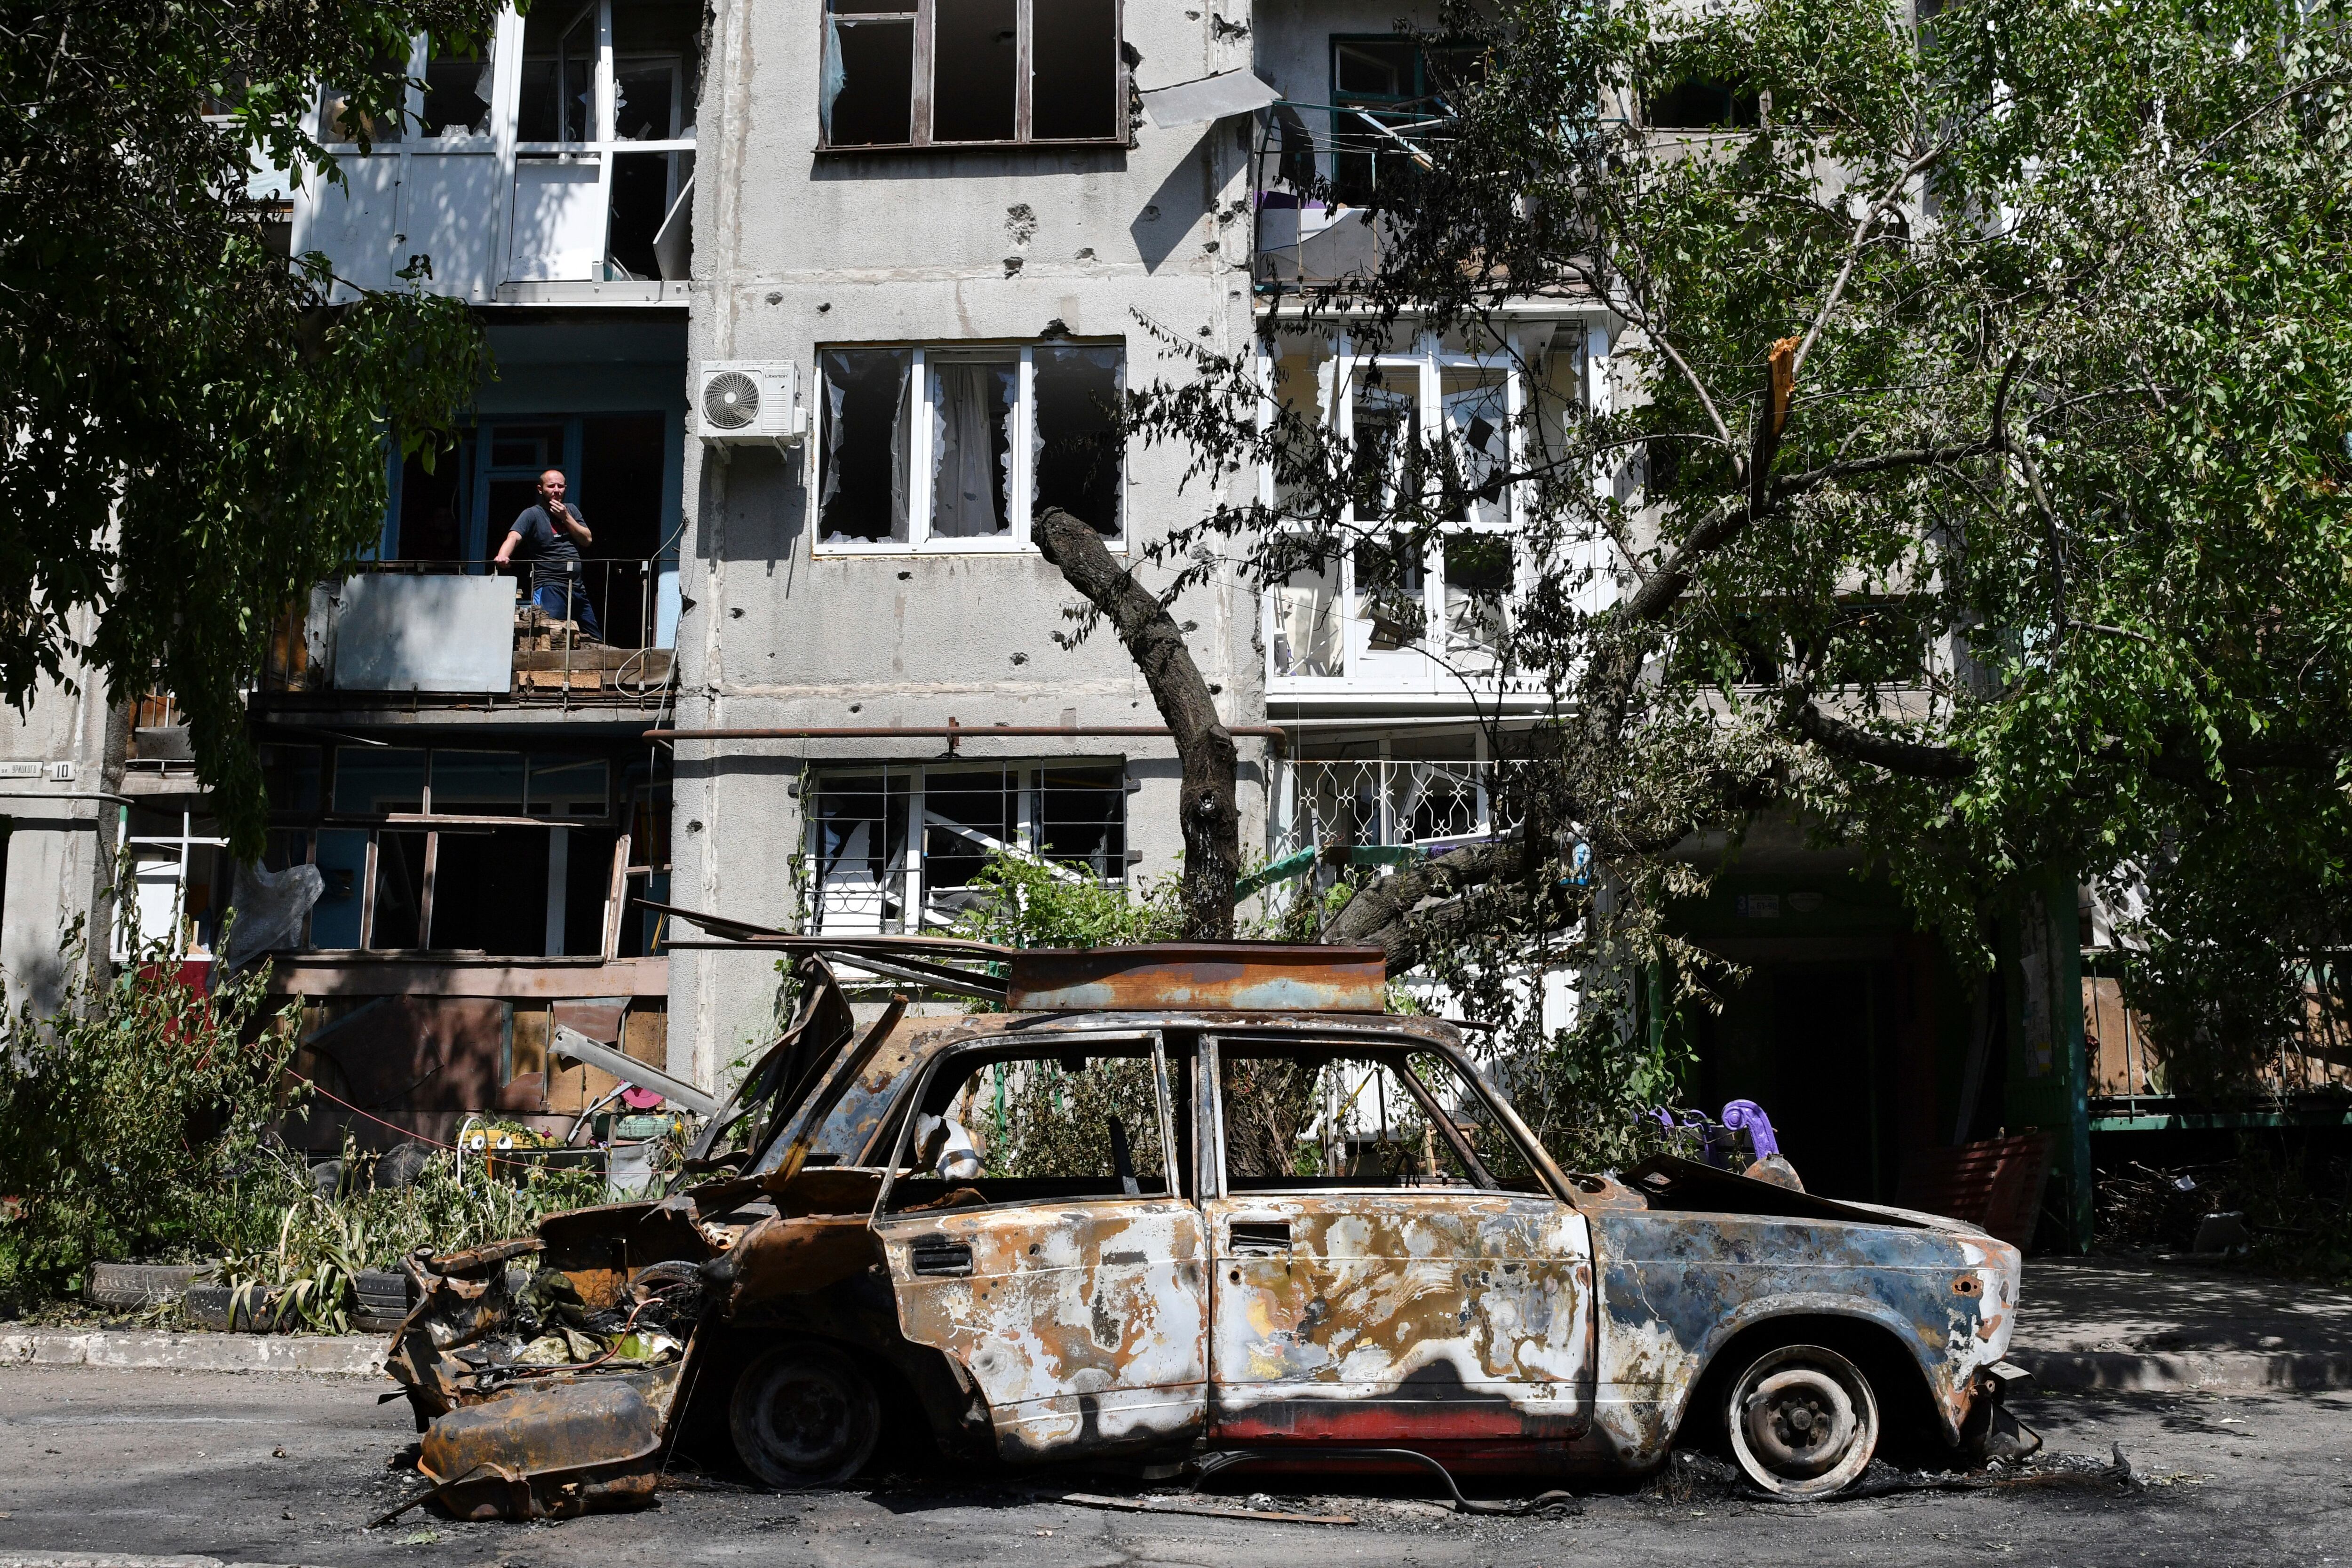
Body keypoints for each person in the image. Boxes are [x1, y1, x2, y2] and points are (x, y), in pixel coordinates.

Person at [493, 469, 602, 641]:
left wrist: (566, 517)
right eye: (551, 486)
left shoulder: (571, 511)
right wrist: (503, 555)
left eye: (561, 486)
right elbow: (514, 536)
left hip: (576, 587)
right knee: (550, 636)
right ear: (540, 489)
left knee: (594, 638)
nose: (556, 490)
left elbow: (587, 539)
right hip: (550, 585)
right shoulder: (532, 514)